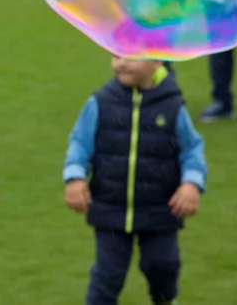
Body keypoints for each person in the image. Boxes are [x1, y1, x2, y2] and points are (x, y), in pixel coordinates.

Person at [63, 55, 207, 305]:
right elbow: (79, 142)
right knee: (106, 276)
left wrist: (191, 184)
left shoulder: (173, 107)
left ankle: (165, 300)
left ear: (157, 63)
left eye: (133, 57)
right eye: (117, 55)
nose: (122, 63)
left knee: (162, 266)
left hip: (160, 209)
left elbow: (192, 149)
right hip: (110, 209)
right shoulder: (100, 102)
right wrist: (74, 177)